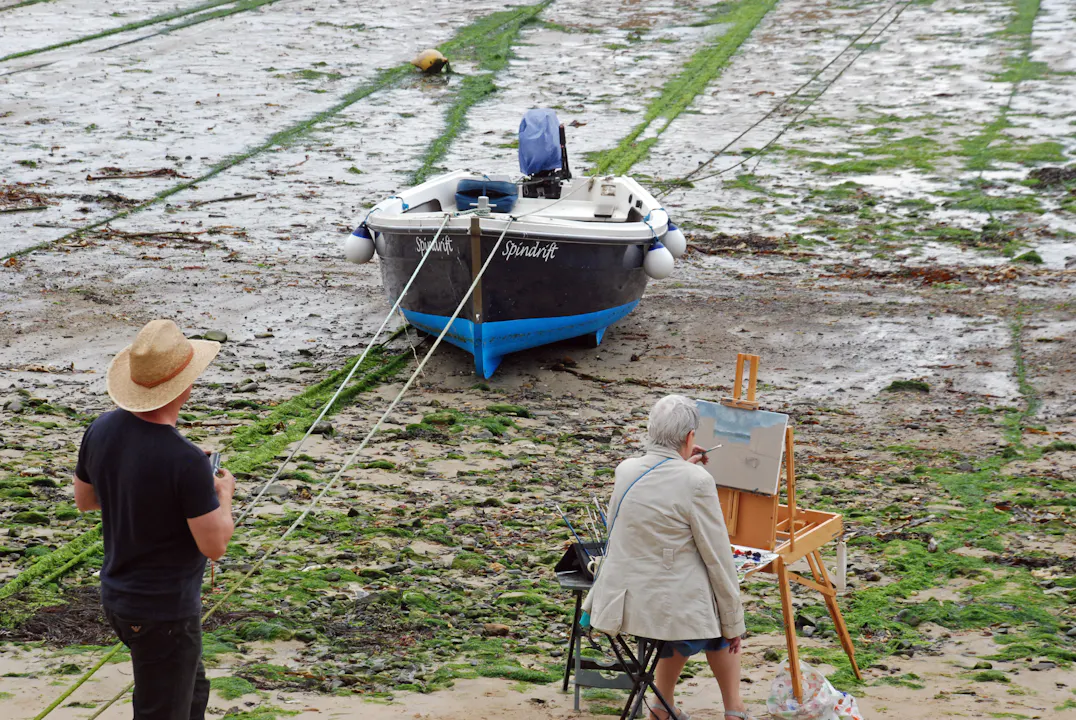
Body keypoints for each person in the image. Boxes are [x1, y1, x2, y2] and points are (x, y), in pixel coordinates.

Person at [74, 319, 236, 720]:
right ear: (185, 386)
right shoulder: (184, 462)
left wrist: (158, 493)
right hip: (162, 611)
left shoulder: (101, 428)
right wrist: (223, 496)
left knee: (192, 692)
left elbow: (86, 500)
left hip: (118, 597)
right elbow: (214, 546)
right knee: (161, 710)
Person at [583, 395, 754, 720]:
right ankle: (734, 708)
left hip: (623, 605)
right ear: (690, 437)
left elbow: (623, 524)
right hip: (664, 611)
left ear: (651, 431)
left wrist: (681, 466)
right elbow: (718, 557)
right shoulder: (697, 482)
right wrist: (735, 624)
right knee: (716, 617)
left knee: (685, 607)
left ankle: (662, 705)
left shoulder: (626, 470)